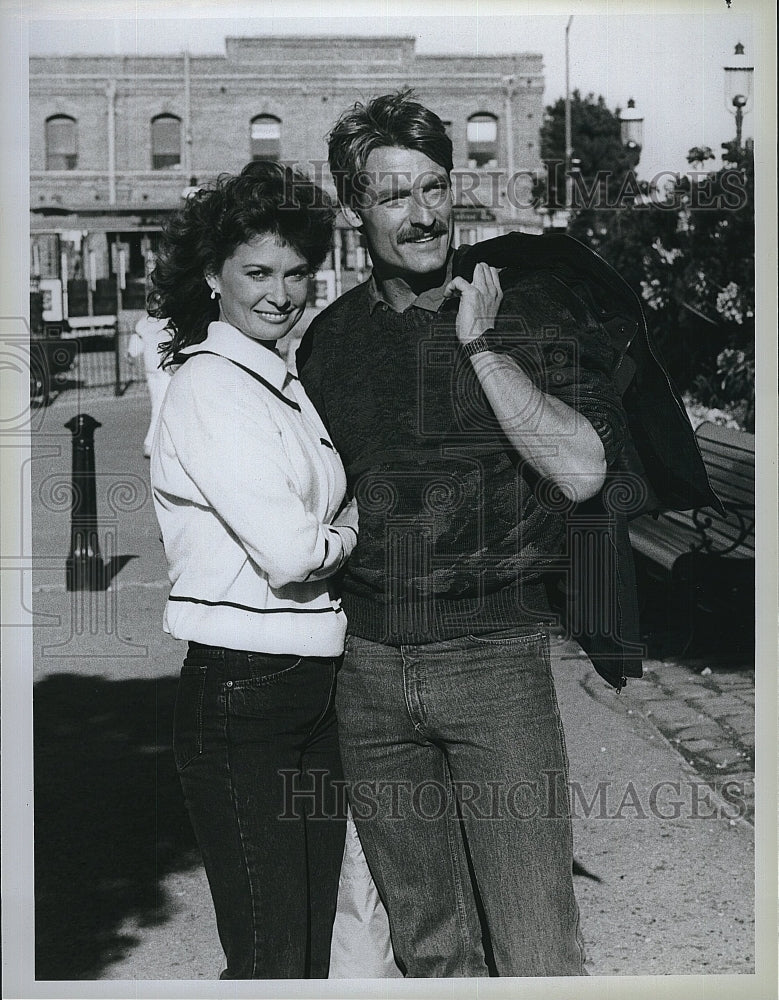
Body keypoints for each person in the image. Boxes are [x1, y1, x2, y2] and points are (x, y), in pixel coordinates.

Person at [296, 90, 716, 978]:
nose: (421, 216)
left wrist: (483, 348)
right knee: (430, 948)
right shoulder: (328, 344)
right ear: (353, 210)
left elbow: (581, 470)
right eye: (394, 195)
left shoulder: (526, 311)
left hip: (494, 661)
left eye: (435, 188)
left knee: (535, 948)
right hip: (367, 671)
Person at [148, 160, 358, 979]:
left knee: (306, 952)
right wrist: (354, 531)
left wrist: (330, 528)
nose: (281, 293)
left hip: (310, 683)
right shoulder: (210, 385)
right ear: (213, 275)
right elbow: (293, 553)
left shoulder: (281, 380)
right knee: (271, 956)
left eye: (298, 272)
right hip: (242, 692)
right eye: (258, 272)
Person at [126, 312, 172, 457]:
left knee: (157, 404)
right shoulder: (170, 320)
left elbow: (133, 350)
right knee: (161, 406)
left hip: (151, 368)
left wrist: (130, 355)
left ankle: (157, 442)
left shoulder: (143, 322)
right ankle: (151, 443)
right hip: (165, 368)